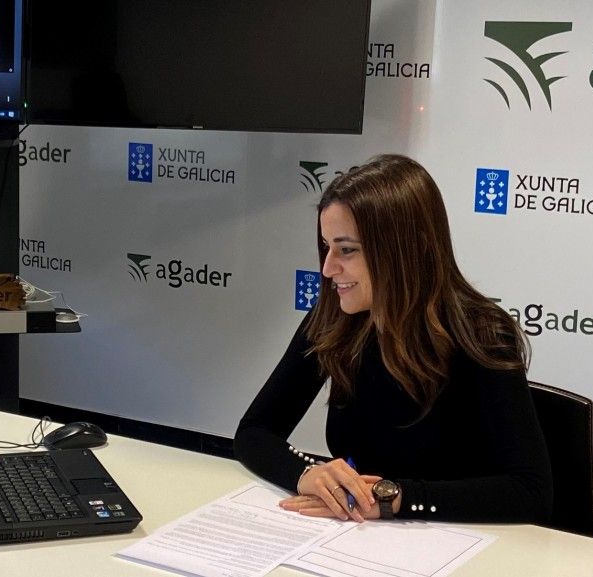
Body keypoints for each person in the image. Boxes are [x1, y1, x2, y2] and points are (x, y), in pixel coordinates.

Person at [234, 154, 552, 525]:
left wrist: (394, 498)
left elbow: (530, 493)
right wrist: (306, 474)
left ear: (405, 248)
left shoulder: (480, 333)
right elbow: (254, 432)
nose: (328, 268)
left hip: (462, 542)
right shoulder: (334, 316)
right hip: (359, 538)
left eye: (347, 249)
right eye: (326, 246)